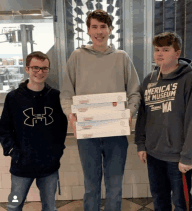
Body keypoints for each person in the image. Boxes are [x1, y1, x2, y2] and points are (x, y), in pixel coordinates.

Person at [60, 9, 141, 211]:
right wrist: (71, 114)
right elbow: (66, 94)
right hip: (87, 133)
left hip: (116, 133)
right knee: (91, 186)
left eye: (103, 27)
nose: (99, 31)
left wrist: (129, 112)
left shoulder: (122, 57)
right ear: (88, 30)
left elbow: (135, 93)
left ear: (110, 30)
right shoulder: (77, 57)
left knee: (114, 186)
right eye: (94, 27)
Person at [135, 32, 192, 211]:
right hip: (153, 155)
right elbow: (143, 116)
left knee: (181, 203)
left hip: (178, 158)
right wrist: (141, 144)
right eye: (157, 50)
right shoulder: (149, 80)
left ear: (177, 53)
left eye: (166, 50)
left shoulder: (190, 80)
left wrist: (187, 156)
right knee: (159, 201)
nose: (159, 54)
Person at [0, 51, 68, 211]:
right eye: (35, 68)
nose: (40, 72)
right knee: (14, 205)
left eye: (44, 68)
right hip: (21, 164)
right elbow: (4, 128)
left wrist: (57, 151)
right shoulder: (14, 97)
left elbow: (61, 128)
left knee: (50, 206)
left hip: (49, 165)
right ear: (27, 68)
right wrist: (12, 150)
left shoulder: (55, 97)